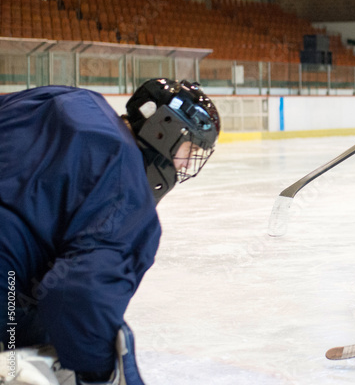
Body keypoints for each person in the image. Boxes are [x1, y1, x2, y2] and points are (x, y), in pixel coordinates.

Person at [0, 79, 220, 384]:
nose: (182, 166)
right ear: (164, 129)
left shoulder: (71, 97)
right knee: (111, 339)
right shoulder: (128, 191)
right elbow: (75, 298)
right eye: (188, 151)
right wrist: (100, 373)